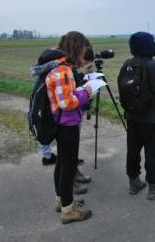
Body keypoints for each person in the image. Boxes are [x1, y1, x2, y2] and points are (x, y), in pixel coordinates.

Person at [118, 32, 155, 200]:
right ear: (149, 47)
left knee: (133, 151)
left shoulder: (127, 64)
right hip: (154, 119)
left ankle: (134, 182)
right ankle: (154, 187)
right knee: (152, 153)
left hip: (132, 116)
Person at [45, 31, 93, 224]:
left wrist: (79, 91)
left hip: (61, 122)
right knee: (68, 167)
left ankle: (62, 201)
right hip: (67, 124)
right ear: (76, 49)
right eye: (83, 51)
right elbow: (67, 102)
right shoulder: (63, 70)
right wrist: (86, 92)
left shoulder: (58, 66)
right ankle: (68, 210)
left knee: (62, 164)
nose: (84, 57)